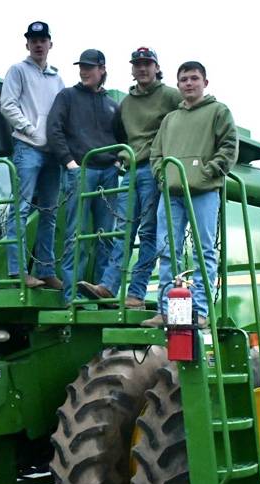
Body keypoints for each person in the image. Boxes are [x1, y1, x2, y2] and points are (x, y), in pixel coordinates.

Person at [77, 47, 181, 307]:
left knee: (148, 233)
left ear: (157, 67)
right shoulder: (126, 103)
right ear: (132, 69)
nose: (142, 68)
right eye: (137, 64)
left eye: (147, 63)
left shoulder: (170, 96)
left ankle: (136, 292)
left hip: (153, 169)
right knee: (122, 229)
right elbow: (119, 133)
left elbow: (190, 117)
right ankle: (108, 285)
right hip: (130, 170)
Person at [142, 60, 238, 328]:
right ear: (178, 84)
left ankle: (201, 311)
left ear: (205, 82)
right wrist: (162, 176)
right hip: (171, 193)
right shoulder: (170, 119)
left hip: (204, 192)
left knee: (203, 251)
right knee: (166, 251)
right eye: (183, 79)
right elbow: (156, 153)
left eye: (194, 78)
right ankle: (165, 311)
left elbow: (229, 147)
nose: (189, 83)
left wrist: (208, 173)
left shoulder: (219, 111)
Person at [46, 49, 119, 302]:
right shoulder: (67, 97)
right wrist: (69, 162)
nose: (84, 71)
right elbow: (53, 129)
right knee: (75, 235)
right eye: (81, 67)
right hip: (81, 171)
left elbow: (123, 137)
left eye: (89, 67)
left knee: (106, 236)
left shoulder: (112, 104)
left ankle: (104, 295)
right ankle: (72, 296)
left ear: (102, 70)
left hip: (109, 173)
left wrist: (120, 159)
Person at [0, 21, 65, 289]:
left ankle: (46, 269)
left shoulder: (58, 79)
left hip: (52, 154)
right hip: (27, 147)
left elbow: (63, 114)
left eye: (43, 39)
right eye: (33, 40)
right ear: (27, 44)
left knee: (49, 210)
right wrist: (29, 129)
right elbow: (7, 105)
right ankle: (17, 270)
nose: (38, 44)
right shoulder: (17, 72)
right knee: (22, 208)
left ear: (50, 43)